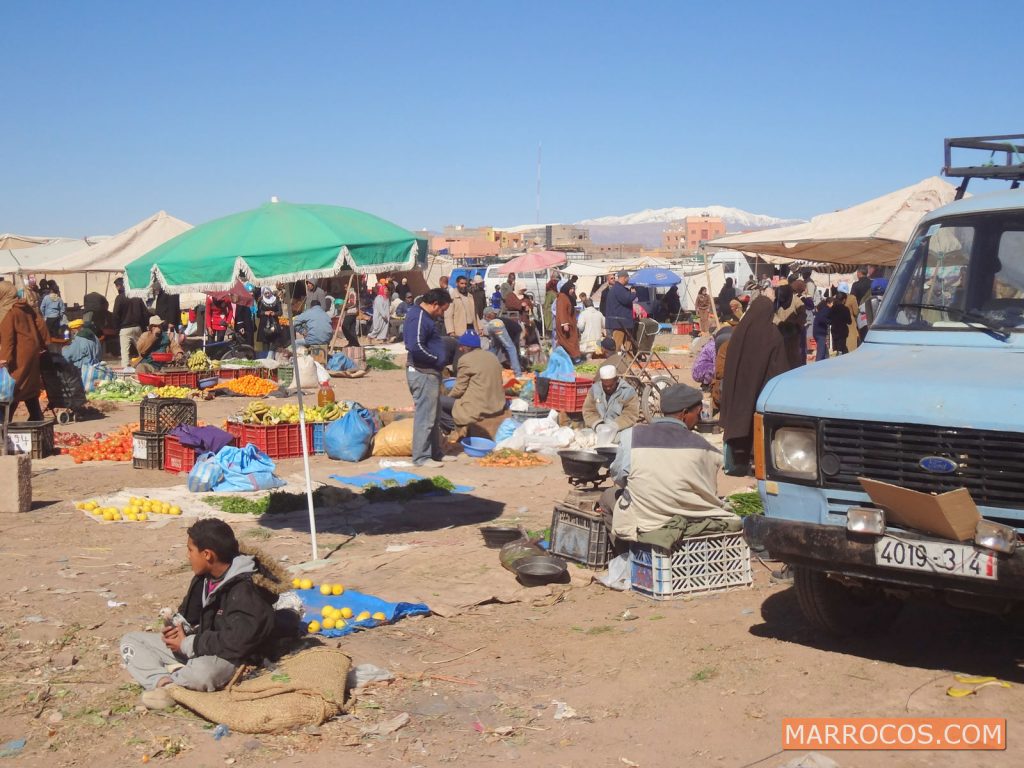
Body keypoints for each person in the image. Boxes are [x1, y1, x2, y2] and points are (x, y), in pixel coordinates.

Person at [120, 519, 286, 709]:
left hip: (232, 656)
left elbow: (238, 642)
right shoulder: (204, 578)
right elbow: (189, 616)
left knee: (203, 673)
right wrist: (176, 631)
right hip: (199, 646)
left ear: (207, 554)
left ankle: (174, 684)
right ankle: (164, 684)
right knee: (131, 642)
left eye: (190, 550)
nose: (188, 556)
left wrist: (188, 644)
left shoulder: (246, 591)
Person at [602, 384, 738, 546]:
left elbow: (618, 476)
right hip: (694, 518)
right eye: (698, 412)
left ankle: (626, 556)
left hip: (648, 523)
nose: (700, 418)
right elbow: (709, 487)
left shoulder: (632, 436)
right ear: (684, 414)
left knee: (608, 496)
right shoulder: (706, 448)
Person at [720, 294, 791, 475]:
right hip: (760, 388)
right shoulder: (772, 334)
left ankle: (739, 460)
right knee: (756, 422)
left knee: (740, 419)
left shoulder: (739, 331)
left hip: (739, 386)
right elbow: (779, 366)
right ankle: (756, 460)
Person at [403, 288, 454, 468]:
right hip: (422, 373)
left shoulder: (426, 318)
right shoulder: (418, 317)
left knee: (434, 415)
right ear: (434, 305)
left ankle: (435, 453)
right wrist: (436, 359)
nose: (442, 315)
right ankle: (421, 457)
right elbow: (415, 347)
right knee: (425, 416)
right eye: (442, 310)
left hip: (431, 373)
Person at [439, 331, 506, 434]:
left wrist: (448, 397)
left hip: (479, 409)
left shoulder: (465, 360)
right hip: (497, 405)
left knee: (436, 401)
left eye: (462, 346)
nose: (460, 349)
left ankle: (456, 427)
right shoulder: (492, 356)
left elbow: (459, 390)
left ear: (467, 347)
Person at [0, 282, 48, 421]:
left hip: (19, 354)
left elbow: (8, 340)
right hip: (32, 351)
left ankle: (4, 422)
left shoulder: (7, 311)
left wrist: (4, 361)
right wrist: (44, 344)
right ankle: (36, 416)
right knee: (29, 387)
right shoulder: (24, 305)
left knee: (12, 388)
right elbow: (40, 323)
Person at [582, 365, 639, 437]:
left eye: (611, 385)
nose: (608, 388)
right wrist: (597, 425)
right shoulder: (594, 390)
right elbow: (588, 411)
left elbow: (630, 415)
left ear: (616, 380)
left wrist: (615, 426)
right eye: (605, 386)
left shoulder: (628, 392)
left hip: (619, 431)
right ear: (601, 381)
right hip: (598, 430)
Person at [112, 277, 148, 369]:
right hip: (137, 327)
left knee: (125, 353)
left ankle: (125, 372)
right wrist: (144, 328)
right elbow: (145, 313)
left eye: (117, 286)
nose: (117, 288)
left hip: (124, 329)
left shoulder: (119, 298)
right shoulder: (137, 297)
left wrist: (116, 329)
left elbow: (115, 315)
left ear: (120, 286)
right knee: (142, 350)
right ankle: (145, 367)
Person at [481, 307, 522, 376]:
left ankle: (484, 367)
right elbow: (512, 342)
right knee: (511, 348)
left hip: (492, 327)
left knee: (495, 348)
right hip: (498, 325)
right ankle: (517, 373)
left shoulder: (487, 321)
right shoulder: (502, 321)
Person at [605, 271, 636, 351]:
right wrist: (633, 293)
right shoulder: (619, 289)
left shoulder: (618, 288)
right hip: (619, 322)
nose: (628, 280)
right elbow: (626, 299)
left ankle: (629, 361)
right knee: (617, 344)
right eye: (628, 278)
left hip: (621, 321)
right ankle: (616, 361)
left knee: (628, 343)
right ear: (624, 278)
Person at [555, 281, 582, 362]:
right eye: (571, 289)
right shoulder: (562, 297)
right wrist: (564, 324)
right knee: (568, 341)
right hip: (565, 325)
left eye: (573, 289)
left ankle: (566, 358)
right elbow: (561, 311)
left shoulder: (567, 297)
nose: (572, 290)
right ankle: (575, 357)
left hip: (570, 323)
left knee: (567, 342)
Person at [255, 287, 283, 355]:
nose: (267, 295)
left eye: (268, 293)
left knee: (274, 343)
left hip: (274, 323)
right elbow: (258, 314)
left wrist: (274, 313)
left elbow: (280, 312)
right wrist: (265, 313)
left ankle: (273, 358)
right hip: (264, 325)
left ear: (270, 292)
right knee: (265, 343)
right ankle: (265, 358)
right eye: (265, 293)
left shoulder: (276, 300)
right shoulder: (261, 301)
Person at [830, 290, 852, 355]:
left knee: (836, 349)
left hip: (834, 330)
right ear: (844, 300)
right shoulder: (845, 309)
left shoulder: (832, 308)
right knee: (841, 349)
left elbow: (829, 319)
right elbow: (849, 321)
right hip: (842, 331)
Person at [812, 297, 833, 361]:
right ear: (830, 303)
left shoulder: (822, 309)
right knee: (820, 354)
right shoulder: (826, 309)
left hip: (817, 332)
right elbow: (821, 318)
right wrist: (830, 321)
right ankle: (817, 367)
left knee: (825, 352)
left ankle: (826, 364)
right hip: (820, 333)